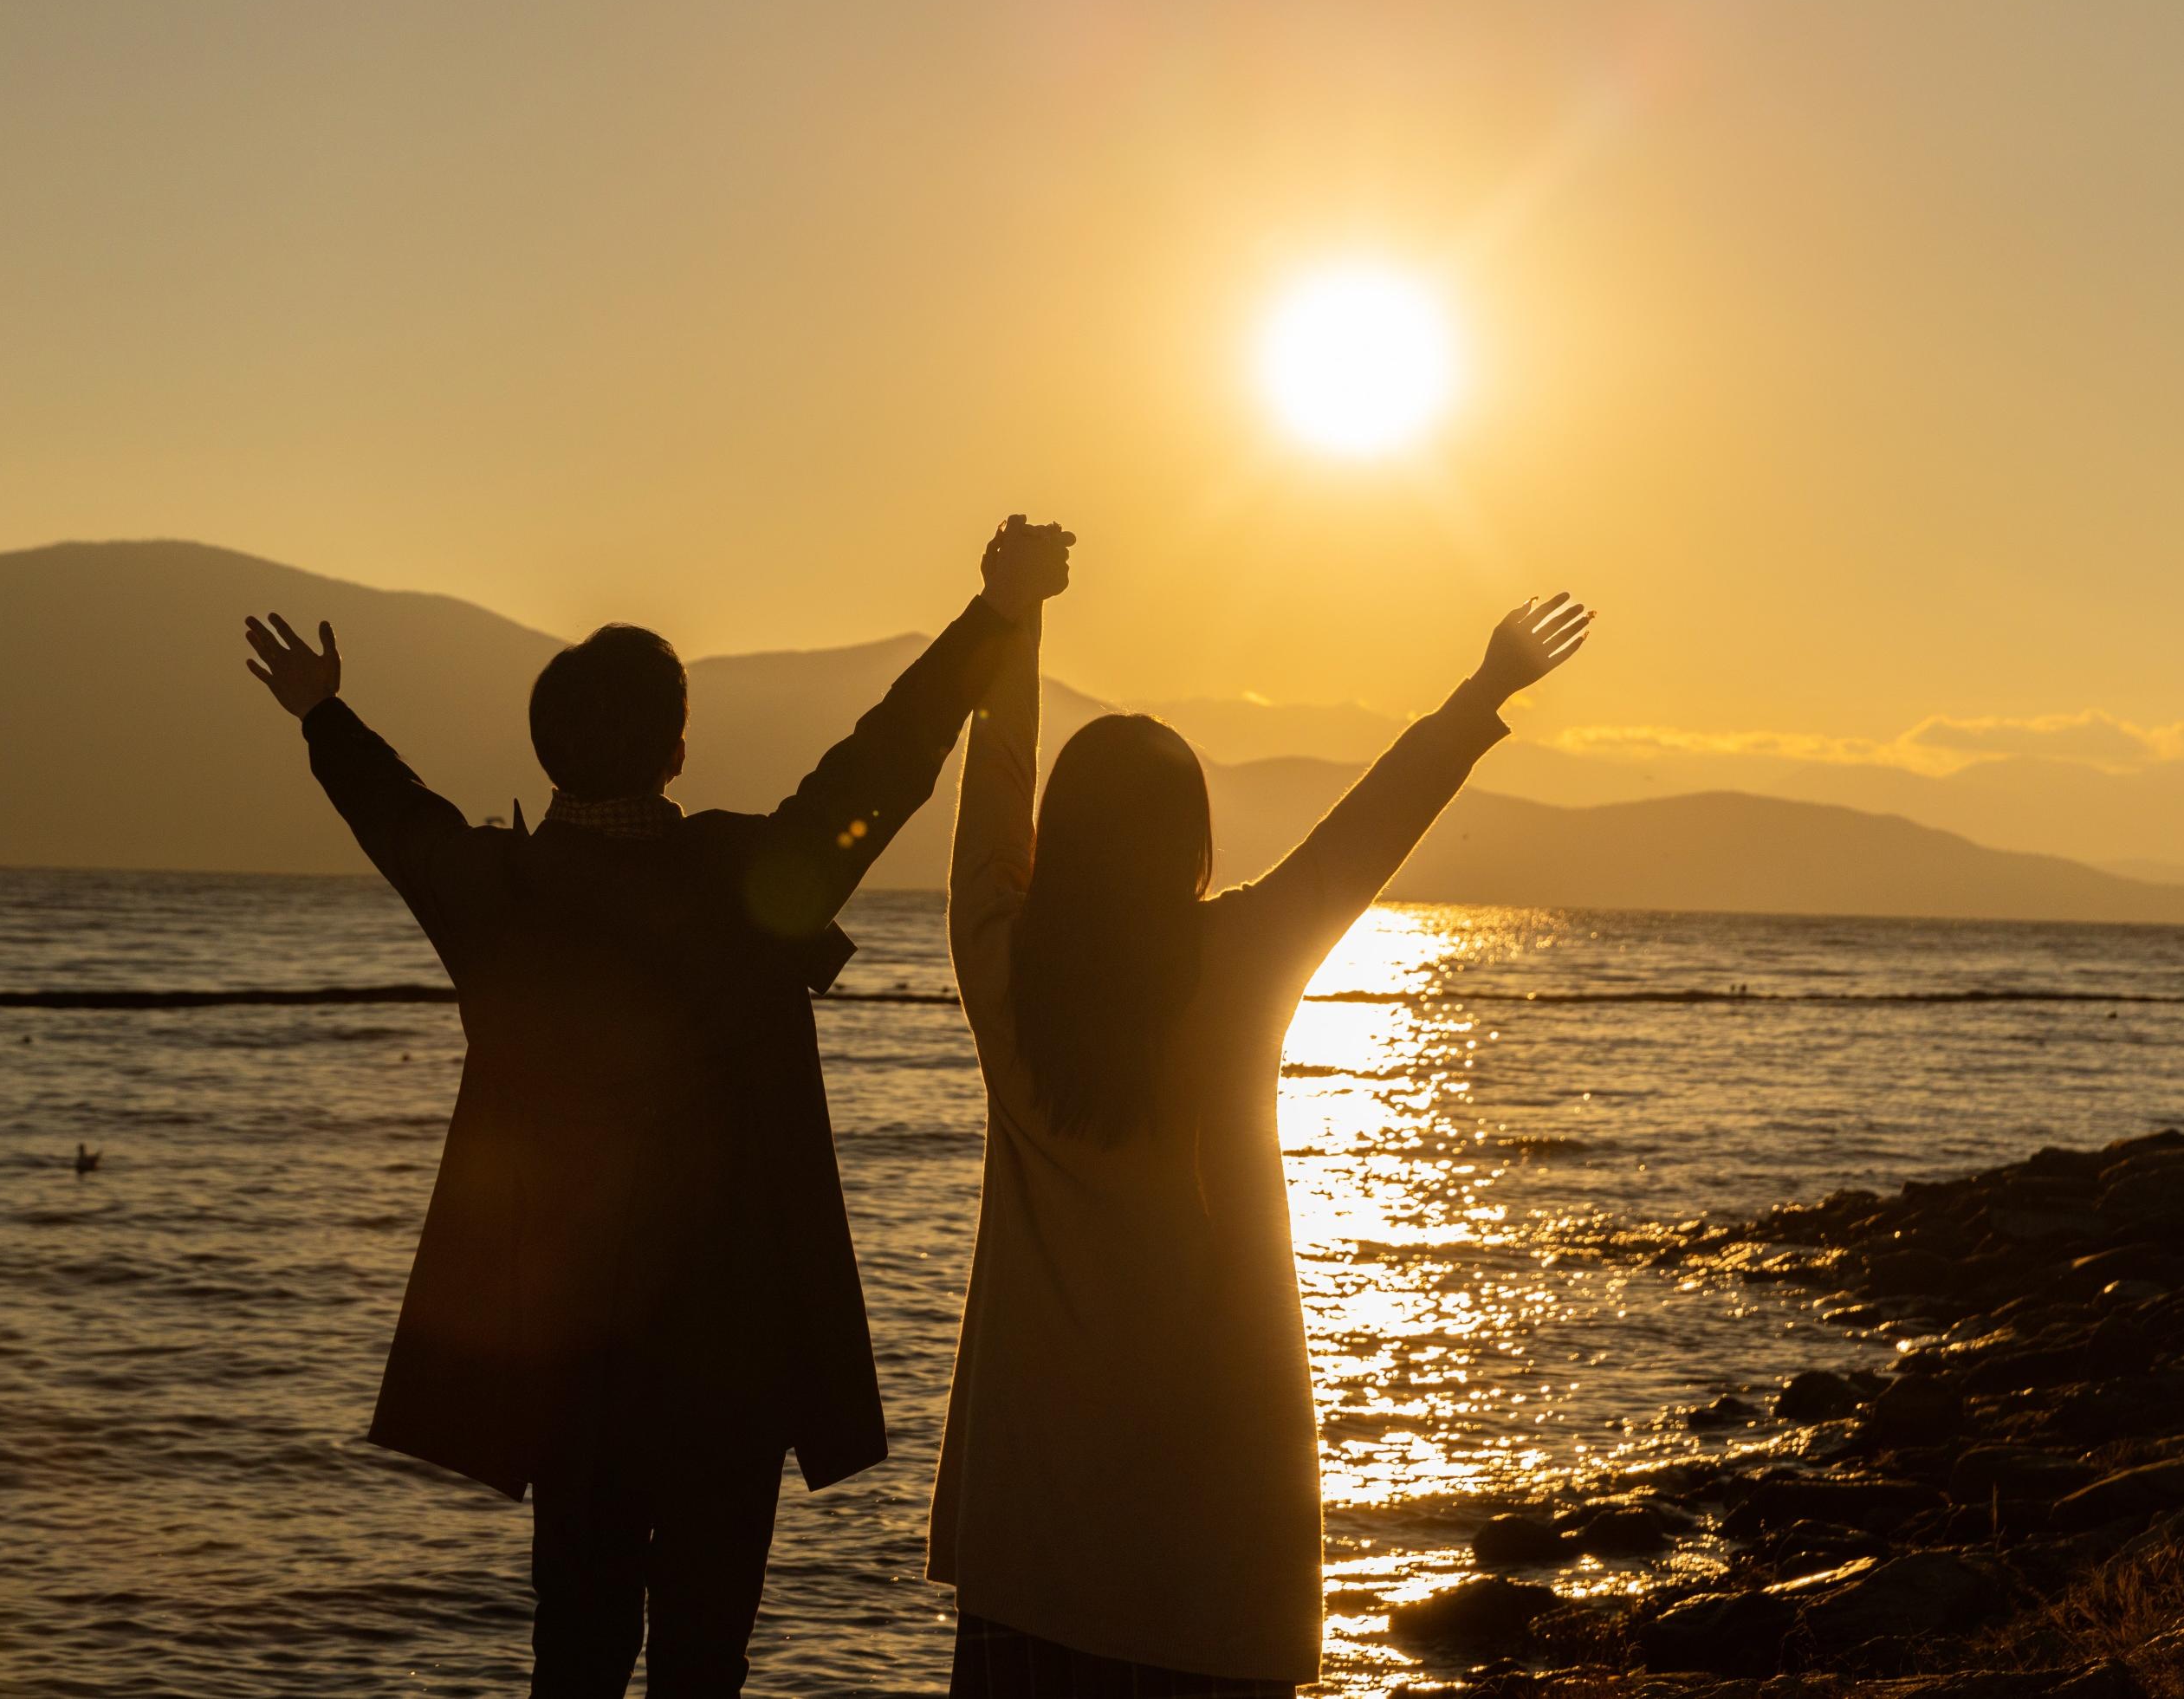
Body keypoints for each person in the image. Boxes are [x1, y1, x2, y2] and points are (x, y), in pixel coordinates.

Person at [239, 516, 1073, 1699]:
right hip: (734, 1358)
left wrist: (325, 712)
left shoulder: (504, 896)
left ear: (548, 754)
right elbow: (884, 765)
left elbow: (402, 821)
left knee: (574, 1649)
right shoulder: (752, 883)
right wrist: (994, 616)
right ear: (676, 751)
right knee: (703, 1662)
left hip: (573, 1359)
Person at [929, 589, 1592, 1695]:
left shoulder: (1004, 972)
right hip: (1211, 1513)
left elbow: (993, 794)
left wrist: (1016, 622)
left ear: (1067, 832)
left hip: (1032, 1518)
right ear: (1188, 838)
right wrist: (1482, 694)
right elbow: (1367, 833)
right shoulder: (1240, 959)